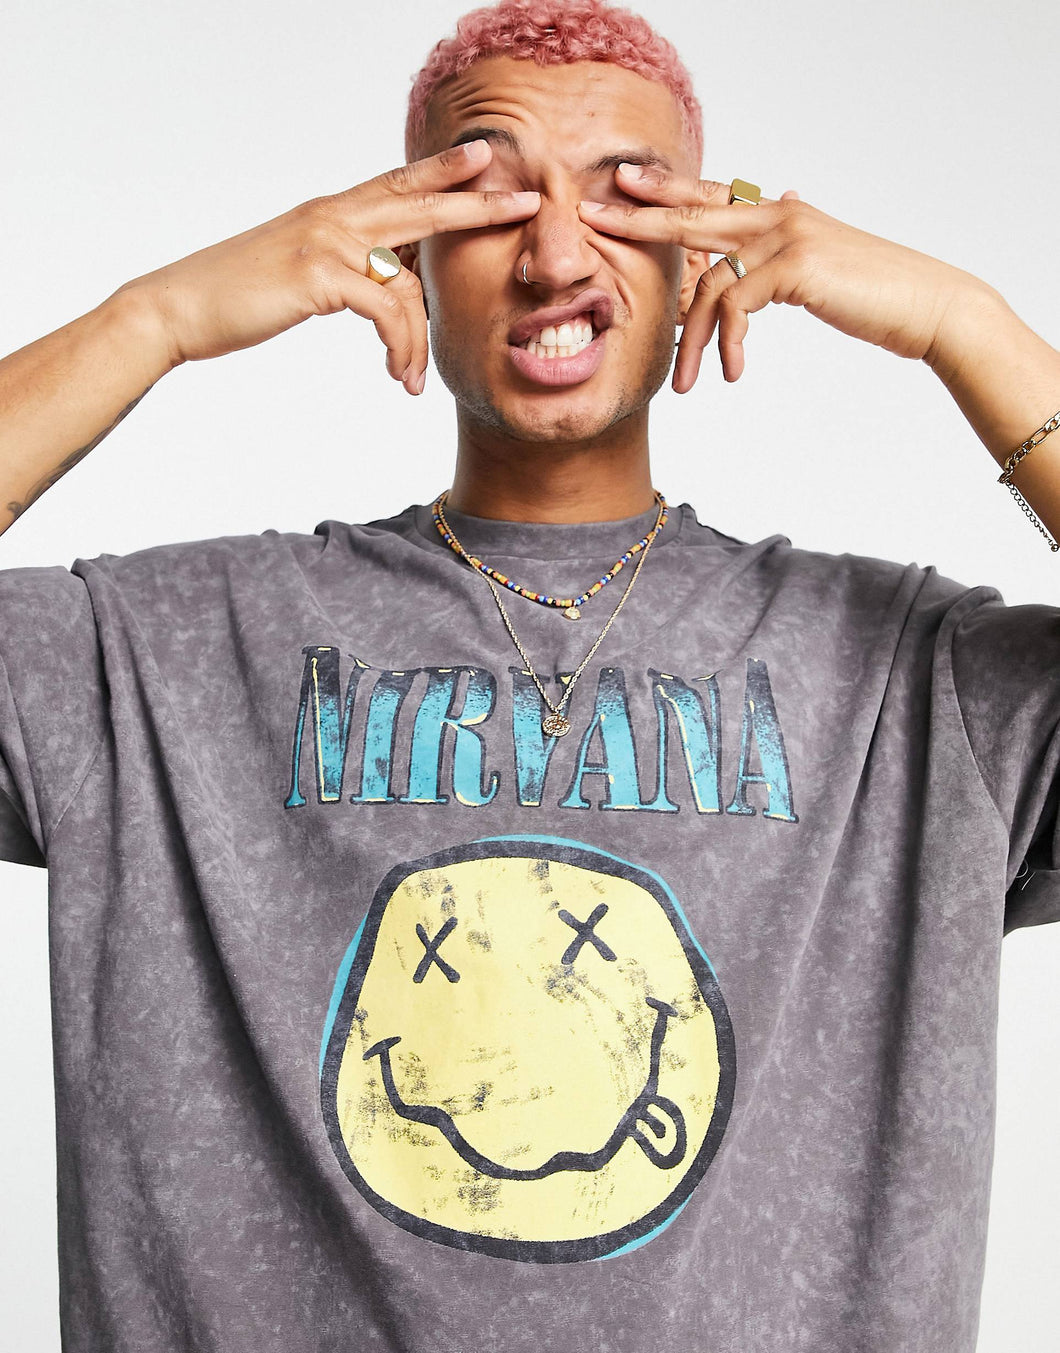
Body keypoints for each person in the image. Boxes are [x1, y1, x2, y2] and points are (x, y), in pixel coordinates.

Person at [0, 0, 1058, 1348]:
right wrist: (153, 319)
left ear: (703, 248)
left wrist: (965, 324)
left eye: (627, 197)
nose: (558, 255)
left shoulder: (919, 688)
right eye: (489, 197)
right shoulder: (164, 655)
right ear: (407, 249)